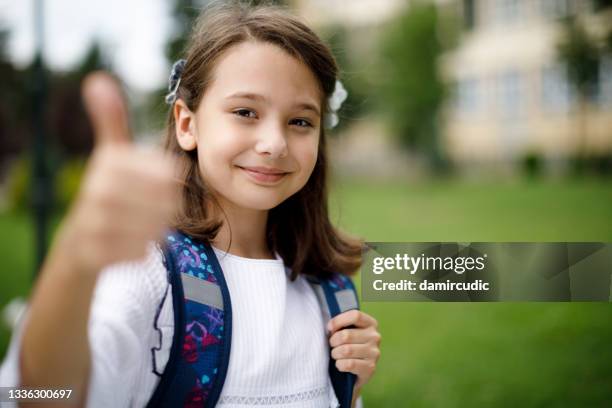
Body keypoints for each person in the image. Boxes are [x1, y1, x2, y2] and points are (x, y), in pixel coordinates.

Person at [0, 2, 381, 407]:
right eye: (245, 112)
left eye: (300, 121)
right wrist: (75, 258)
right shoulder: (147, 272)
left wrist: (344, 389)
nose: (275, 144)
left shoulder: (328, 291)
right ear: (187, 124)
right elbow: (35, 396)